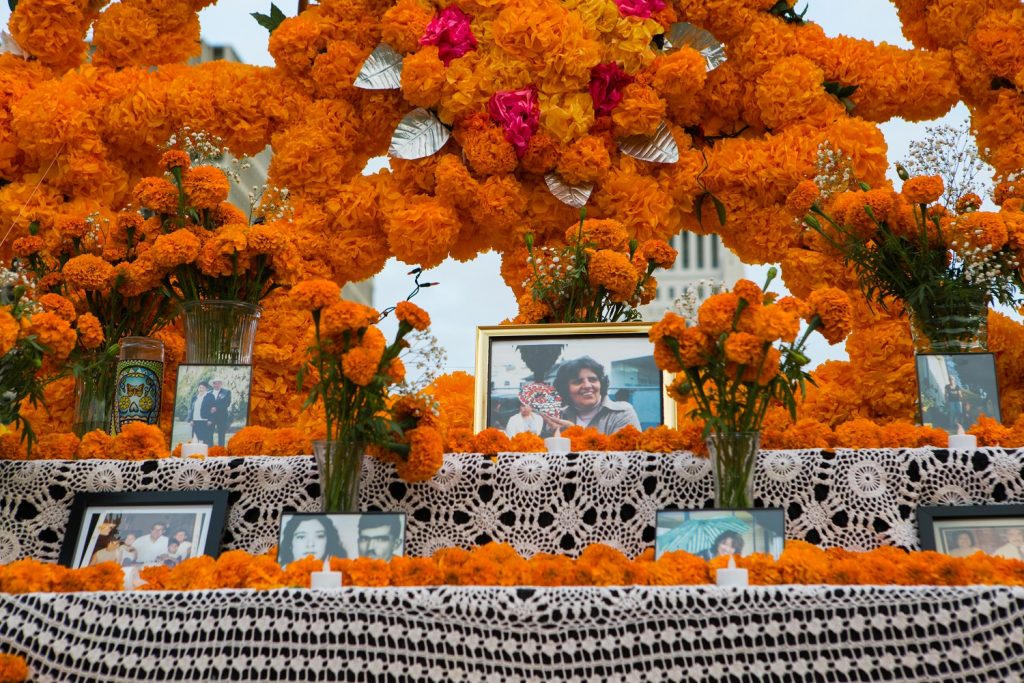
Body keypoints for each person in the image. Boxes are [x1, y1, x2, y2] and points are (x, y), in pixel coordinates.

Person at [539, 357, 641, 437]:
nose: (587, 386)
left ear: (601, 383)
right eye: (578, 381)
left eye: (593, 379)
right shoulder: (557, 417)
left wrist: (575, 433)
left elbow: (622, 459)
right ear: (566, 389)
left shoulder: (622, 413)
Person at [278, 515, 346, 565]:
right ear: (290, 543)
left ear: (328, 542)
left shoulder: (341, 575)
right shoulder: (279, 576)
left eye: (319, 536)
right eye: (301, 537)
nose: (310, 544)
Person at [188, 381, 215, 446]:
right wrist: (191, 419)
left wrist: (210, 419)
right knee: (195, 439)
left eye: (202, 387)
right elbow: (191, 409)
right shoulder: (194, 397)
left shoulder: (210, 396)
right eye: (199, 387)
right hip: (195, 421)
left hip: (205, 421)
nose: (201, 389)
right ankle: (196, 454)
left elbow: (213, 409)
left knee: (207, 440)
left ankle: (209, 454)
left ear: (206, 389)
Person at [209, 379, 232, 448]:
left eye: (218, 383)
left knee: (221, 434)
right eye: (215, 383)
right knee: (209, 433)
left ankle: (220, 450)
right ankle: (210, 449)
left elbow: (227, 403)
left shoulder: (226, 392)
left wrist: (217, 408)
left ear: (221, 384)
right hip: (211, 417)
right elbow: (206, 404)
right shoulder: (209, 393)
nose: (217, 385)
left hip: (222, 416)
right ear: (213, 384)